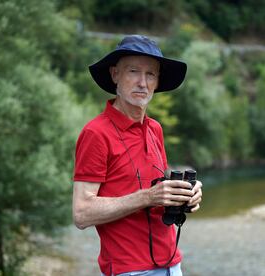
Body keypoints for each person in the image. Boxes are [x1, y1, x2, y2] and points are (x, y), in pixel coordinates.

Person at [72, 35, 203, 276]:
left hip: (172, 265)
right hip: (129, 270)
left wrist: (186, 195)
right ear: (115, 75)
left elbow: (159, 194)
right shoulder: (95, 133)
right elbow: (81, 213)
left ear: (157, 82)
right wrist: (147, 197)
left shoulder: (155, 129)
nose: (142, 83)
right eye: (133, 71)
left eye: (150, 74)